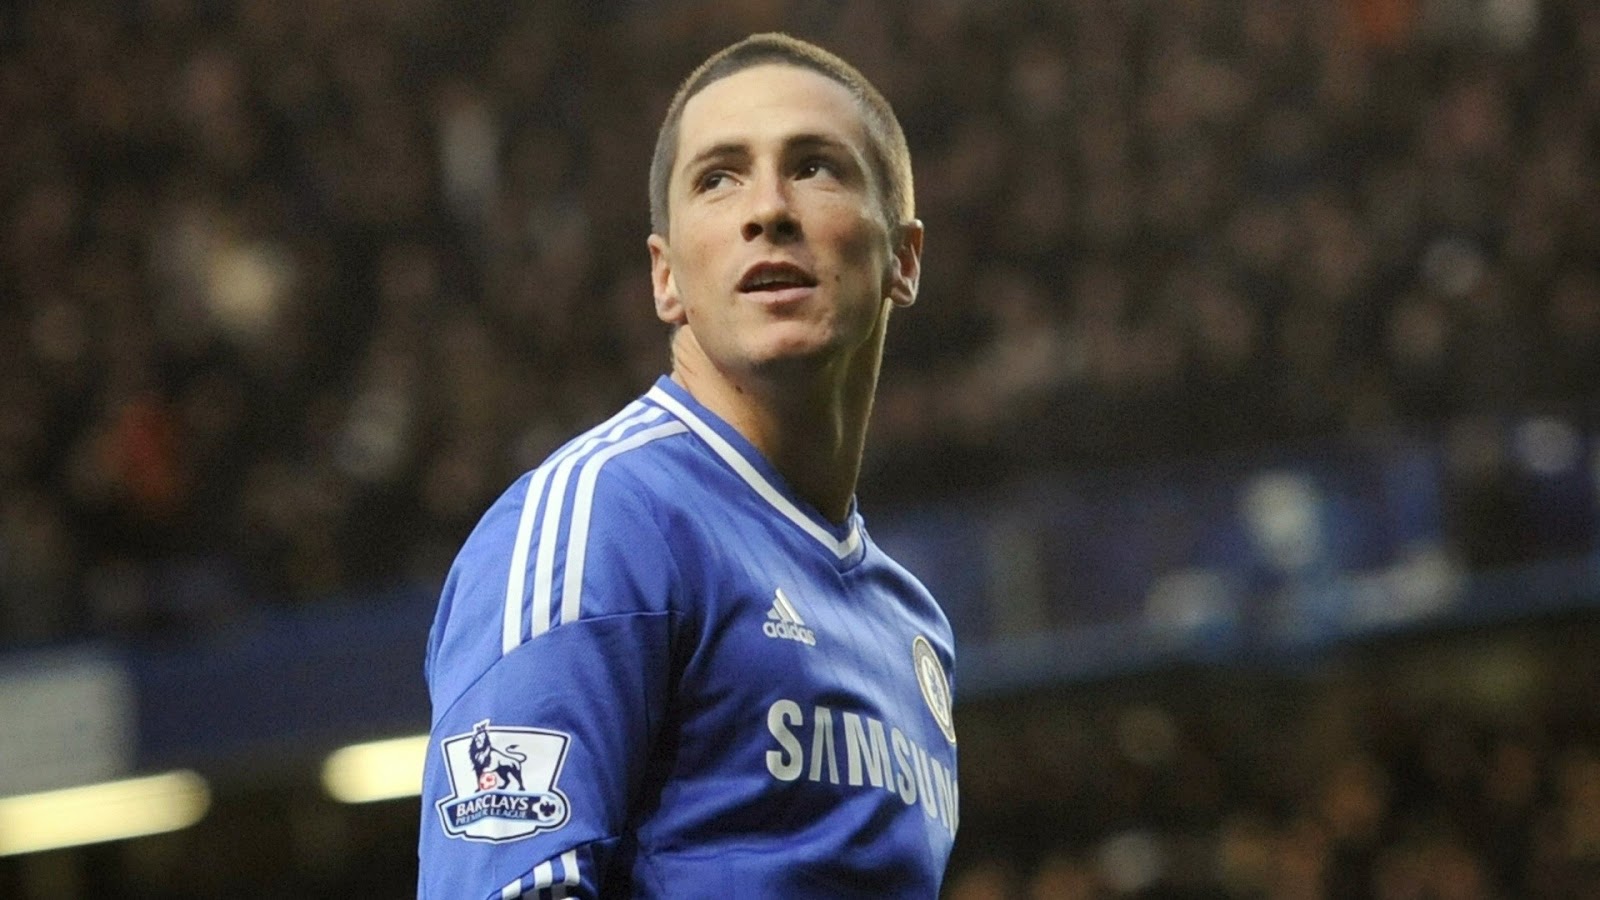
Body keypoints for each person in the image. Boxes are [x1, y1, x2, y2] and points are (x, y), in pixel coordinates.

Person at [418, 32, 958, 899]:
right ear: (665, 277)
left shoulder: (914, 626)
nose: (768, 209)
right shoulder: (600, 518)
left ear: (904, 256)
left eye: (815, 167)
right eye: (718, 178)